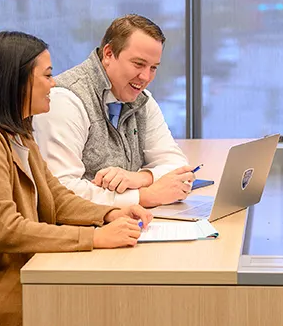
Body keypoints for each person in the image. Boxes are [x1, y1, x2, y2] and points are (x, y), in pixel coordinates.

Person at [0, 31, 153, 326]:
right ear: (16, 81)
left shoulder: (20, 134)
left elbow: (57, 197)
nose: (53, 84)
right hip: (9, 288)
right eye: (47, 75)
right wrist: (93, 237)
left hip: (32, 271)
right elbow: (6, 229)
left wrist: (110, 213)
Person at [33, 14, 195, 208]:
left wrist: (140, 178)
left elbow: (179, 168)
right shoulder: (64, 99)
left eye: (153, 67)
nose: (145, 77)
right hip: (80, 230)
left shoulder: (142, 99)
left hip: (123, 222)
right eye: (139, 64)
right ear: (109, 54)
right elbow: (61, 191)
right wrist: (143, 197)